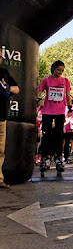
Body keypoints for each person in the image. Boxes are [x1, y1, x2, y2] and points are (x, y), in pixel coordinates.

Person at [37, 60, 72, 176]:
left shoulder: (65, 81)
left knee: (58, 135)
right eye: (58, 70)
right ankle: (45, 157)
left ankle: (58, 157)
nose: (60, 73)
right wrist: (38, 99)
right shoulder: (47, 80)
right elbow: (39, 91)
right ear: (53, 69)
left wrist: (70, 108)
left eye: (62, 70)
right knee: (46, 134)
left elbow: (68, 95)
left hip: (60, 111)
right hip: (47, 111)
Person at [0, 60, 19, 188]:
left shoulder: (4, 72)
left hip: (1, 118)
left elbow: (17, 89)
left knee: (0, 151)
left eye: (1, 56)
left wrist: (6, 88)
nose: (1, 59)